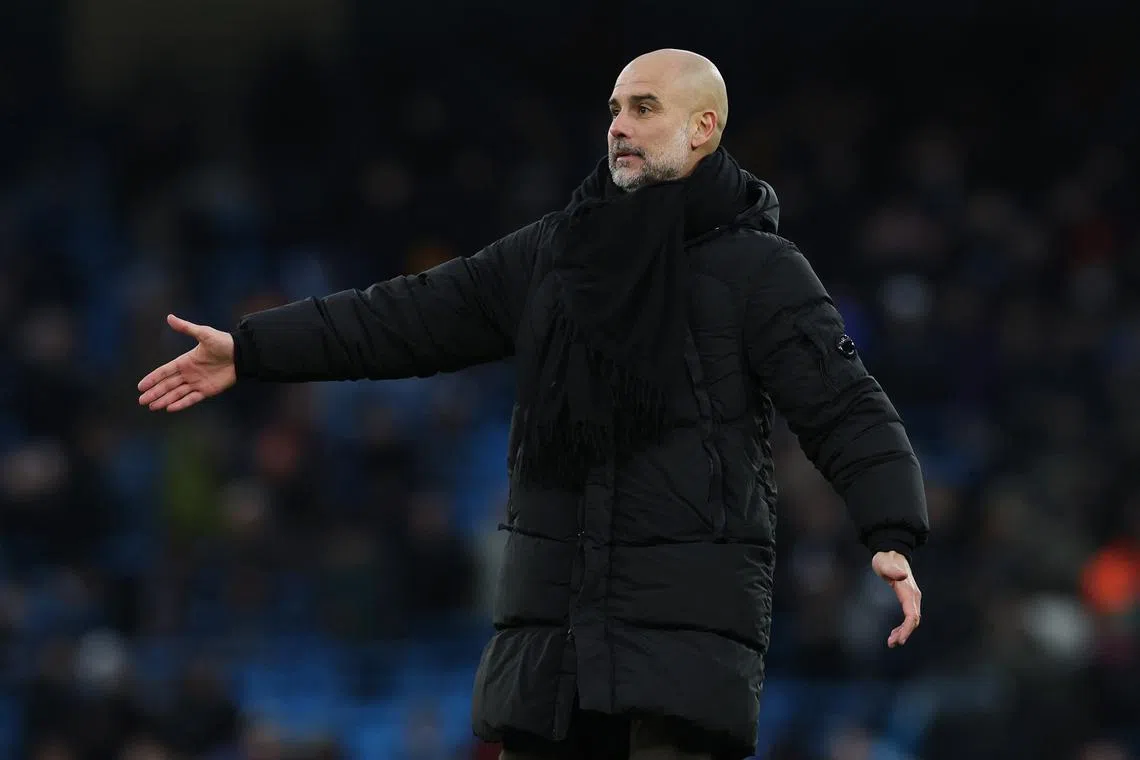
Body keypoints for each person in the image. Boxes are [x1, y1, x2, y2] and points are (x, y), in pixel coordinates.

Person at [138, 49, 929, 760]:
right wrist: (254, 349)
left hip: (680, 664)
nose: (619, 124)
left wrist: (889, 525)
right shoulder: (556, 253)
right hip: (550, 657)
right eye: (615, 107)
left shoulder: (760, 270)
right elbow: (405, 316)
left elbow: (842, 402)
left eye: (644, 108)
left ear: (702, 128)